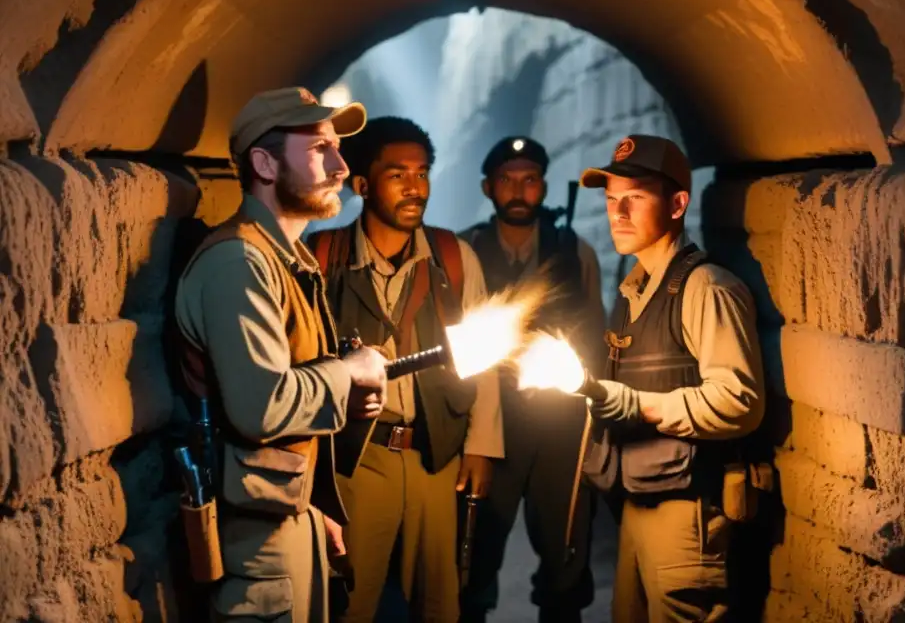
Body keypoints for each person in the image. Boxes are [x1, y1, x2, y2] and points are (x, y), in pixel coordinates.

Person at [174, 87, 389, 623]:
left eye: (338, 148)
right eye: (321, 149)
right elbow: (261, 406)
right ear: (265, 164)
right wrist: (350, 372)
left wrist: (314, 509)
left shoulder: (283, 258)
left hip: (288, 519)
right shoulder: (240, 261)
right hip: (254, 544)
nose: (342, 166)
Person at [306, 117, 504, 622]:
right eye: (398, 175)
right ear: (363, 185)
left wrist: (481, 445)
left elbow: (484, 360)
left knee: (440, 603)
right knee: (348, 597)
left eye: (422, 173)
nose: (415, 187)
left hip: (434, 454)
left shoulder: (454, 258)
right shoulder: (322, 258)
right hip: (357, 457)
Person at [578, 134, 765, 623]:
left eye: (634, 199)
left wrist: (639, 405)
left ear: (678, 203)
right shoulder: (635, 287)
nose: (617, 213)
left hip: (688, 512)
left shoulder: (707, 289)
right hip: (639, 502)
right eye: (611, 199)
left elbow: (740, 401)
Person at [458, 136, 606, 623]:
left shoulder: (573, 251)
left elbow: (597, 332)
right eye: (507, 180)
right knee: (472, 559)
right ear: (487, 187)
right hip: (491, 426)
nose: (519, 191)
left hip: (560, 428)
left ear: (543, 187)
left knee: (565, 560)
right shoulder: (467, 251)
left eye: (530, 180)